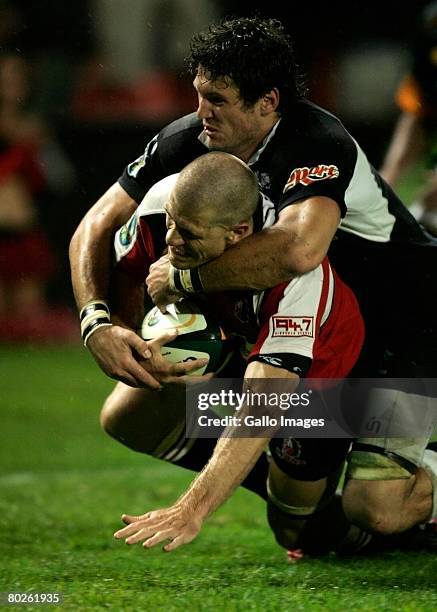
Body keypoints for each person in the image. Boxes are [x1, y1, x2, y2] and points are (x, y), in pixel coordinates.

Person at [69, 16, 437, 544]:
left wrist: (186, 280)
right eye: (198, 94)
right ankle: (302, 487)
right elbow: (96, 225)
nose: (201, 113)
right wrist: (97, 321)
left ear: (267, 102)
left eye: (216, 99)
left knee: (374, 507)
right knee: (131, 416)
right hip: (313, 321)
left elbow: (298, 251)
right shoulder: (190, 140)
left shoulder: (315, 141)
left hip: (405, 324)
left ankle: (343, 474)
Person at [104, 151, 366, 554]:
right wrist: (130, 340)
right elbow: (124, 271)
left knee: (299, 533)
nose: (172, 239)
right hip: (238, 341)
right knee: (124, 417)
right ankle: (262, 475)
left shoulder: (297, 283)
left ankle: (382, 528)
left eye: (188, 233)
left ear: (238, 232)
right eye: (173, 223)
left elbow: (261, 407)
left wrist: (191, 508)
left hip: (319, 370)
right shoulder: (165, 203)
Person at [380, 1, 437, 234]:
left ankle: (424, 214)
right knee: (392, 170)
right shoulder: (424, 60)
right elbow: (399, 158)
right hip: (426, 105)